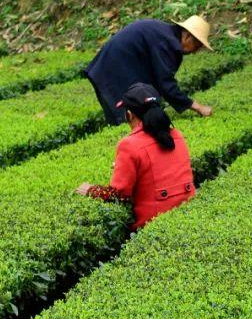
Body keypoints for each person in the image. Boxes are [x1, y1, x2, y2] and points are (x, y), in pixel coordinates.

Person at [74, 83, 197, 230]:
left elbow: (119, 194)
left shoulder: (129, 145)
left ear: (129, 114)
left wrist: (91, 190)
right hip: (187, 213)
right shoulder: (177, 135)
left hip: (154, 225)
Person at [84, 15, 216, 126]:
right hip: (112, 71)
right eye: (197, 45)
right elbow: (166, 84)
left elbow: (158, 80)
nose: (195, 51)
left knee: (135, 109)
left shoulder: (166, 35)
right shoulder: (168, 43)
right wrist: (198, 107)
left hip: (111, 67)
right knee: (125, 117)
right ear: (187, 36)